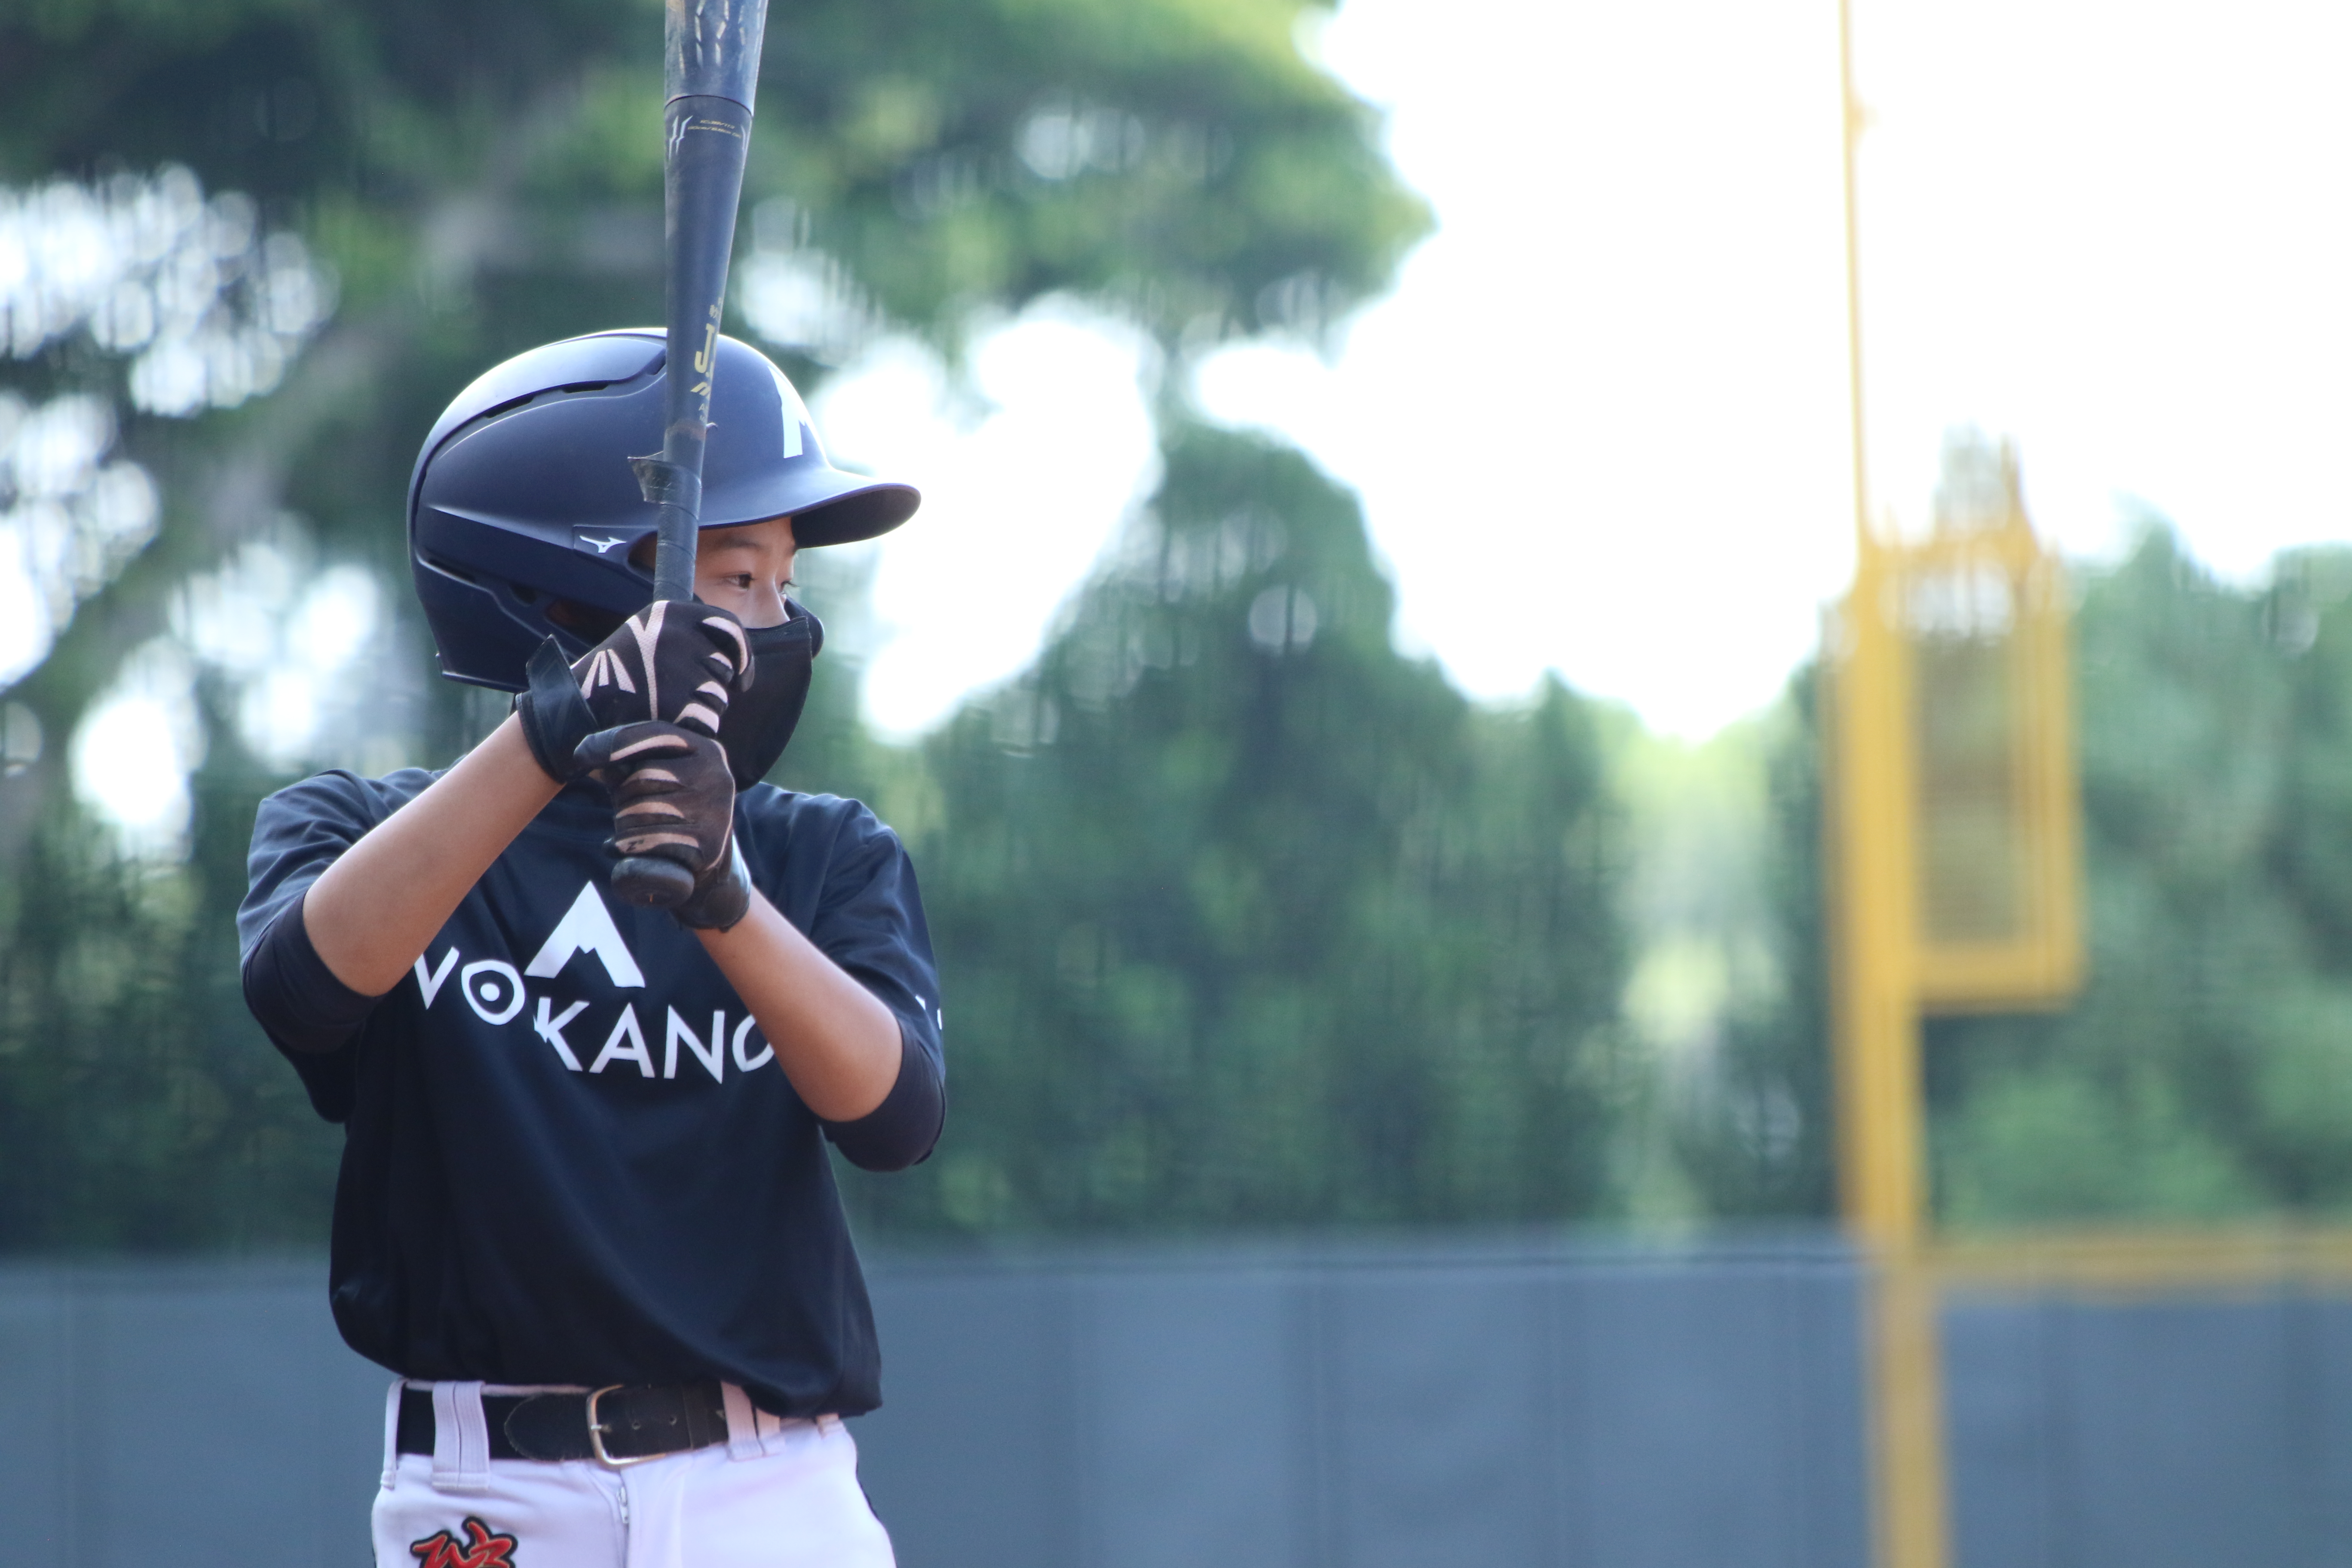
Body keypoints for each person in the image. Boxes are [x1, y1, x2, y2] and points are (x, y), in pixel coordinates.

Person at [239, 329, 943, 1567]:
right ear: (572, 588)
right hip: (486, 1497)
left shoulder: (820, 852)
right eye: (738, 576)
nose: (778, 621)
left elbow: (895, 1118)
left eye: (785, 583)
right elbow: (302, 990)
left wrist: (727, 900)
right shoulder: (353, 829)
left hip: (769, 1489)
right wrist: (554, 730)